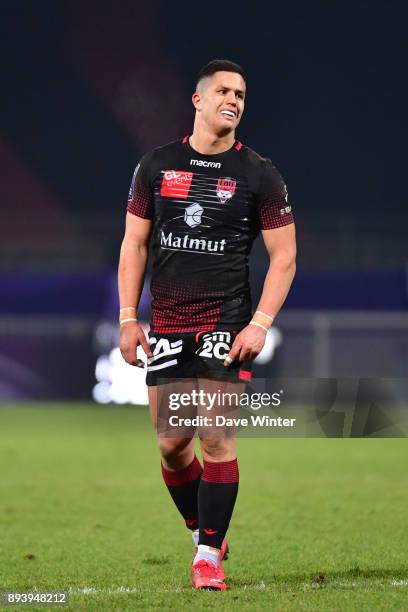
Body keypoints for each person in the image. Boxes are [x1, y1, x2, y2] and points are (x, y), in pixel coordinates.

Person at [118, 59, 296, 591]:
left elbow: (283, 257)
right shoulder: (156, 165)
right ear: (197, 100)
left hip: (226, 323)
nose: (234, 100)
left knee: (216, 437)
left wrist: (261, 323)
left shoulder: (259, 173)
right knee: (173, 444)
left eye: (241, 93)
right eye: (223, 90)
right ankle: (207, 528)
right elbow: (134, 243)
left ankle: (206, 558)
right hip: (168, 324)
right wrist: (128, 318)